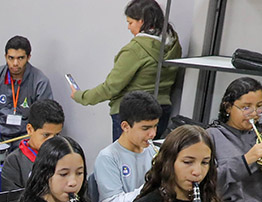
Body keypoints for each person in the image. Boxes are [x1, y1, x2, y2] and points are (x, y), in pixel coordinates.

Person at [71, 0, 182, 139]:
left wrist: (81, 96)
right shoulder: (174, 46)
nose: (128, 28)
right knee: (150, 158)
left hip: (132, 113)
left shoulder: (135, 50)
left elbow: (111, 87)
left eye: (130, 22)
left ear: (141, 21)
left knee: (123, 159)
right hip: (161, 110)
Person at [93, 90, 161, 202]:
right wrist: (151, 186)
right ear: (125, 126)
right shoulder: (108, 157)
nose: (153, 133)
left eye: (155, 126)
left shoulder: (156, 152)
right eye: (145, 128)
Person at [0, 36, 55, 140]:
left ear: (28, 57)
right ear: (5, 57)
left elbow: (44, 116)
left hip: (25, 135)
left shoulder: (40, 81)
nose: (15, 63)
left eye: (20, 58)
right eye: (11, 58)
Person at [0, 98, 64, 192]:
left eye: (57, 135)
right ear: (30, 130)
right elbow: (12, 201)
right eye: (46, 135)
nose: (52, 141)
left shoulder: (65, 156)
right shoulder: (14, 161)